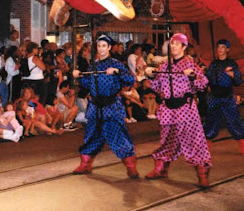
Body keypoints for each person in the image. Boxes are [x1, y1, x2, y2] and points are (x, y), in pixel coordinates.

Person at [145, 33, 211, 187]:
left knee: (194, 142)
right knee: (167, 141)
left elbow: (203, 84)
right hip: (168, 109)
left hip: (186, 109)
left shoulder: (190, 64)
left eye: (176, 43)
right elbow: (157, 87)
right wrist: (151, 76)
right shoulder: (164, 66)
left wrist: (193, 76)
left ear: (184, 47)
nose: (173, 46)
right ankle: (161, 169)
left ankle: (202, 175)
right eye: (171, 43)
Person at [72, 35, 140, 178]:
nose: (101, 49)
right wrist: (79, 76)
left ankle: (131, 166)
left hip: (111, 107)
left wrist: (117, 72)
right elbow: (88, 84)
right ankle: (85, 164)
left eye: (104, 46)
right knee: (91, 136)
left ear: (109, 47)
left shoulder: (116, 63)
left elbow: (130, 79)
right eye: (99, 46)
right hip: (95, 107)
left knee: (117, 135)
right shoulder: (93, 65)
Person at [203, 39, 244, 157]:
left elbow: (239, 81)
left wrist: (232, 75)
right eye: (219, 47)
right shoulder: (213, 64)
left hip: (227, 97)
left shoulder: (232, 64)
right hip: (214, 97)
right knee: (210, 123)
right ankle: (205, 150)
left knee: (235, 121)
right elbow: (207, 80)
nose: (220, 50)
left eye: (223, 47)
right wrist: (203, 74)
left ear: (228, 50)